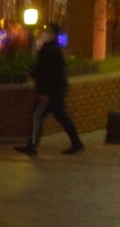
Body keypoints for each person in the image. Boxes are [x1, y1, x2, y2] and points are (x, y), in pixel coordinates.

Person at [22, 27, 84, 156]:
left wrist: (45, 92)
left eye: (46, 33)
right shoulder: (52, 50)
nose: (42, 35)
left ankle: (32, 145)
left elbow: (48, 72)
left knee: (38, 116)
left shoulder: (50, 51)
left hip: (50, 92)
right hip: (55, 91)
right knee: (61, 117)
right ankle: (76, 143)